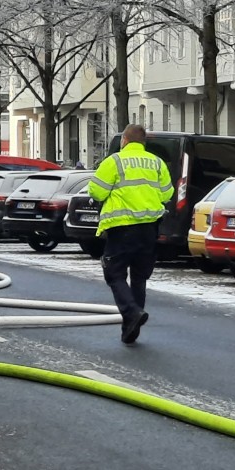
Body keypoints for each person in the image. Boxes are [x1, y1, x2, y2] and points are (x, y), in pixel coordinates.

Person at [88, 124, 173, 345]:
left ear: (124, 140)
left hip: (122, 227)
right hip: (149, 228)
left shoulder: (114, 161)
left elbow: (96, 191)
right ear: (143, 143)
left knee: (114, 274)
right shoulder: (157, 163)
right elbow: (167, 193)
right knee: (139, 277)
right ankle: (130, 327)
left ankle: (132, 313)